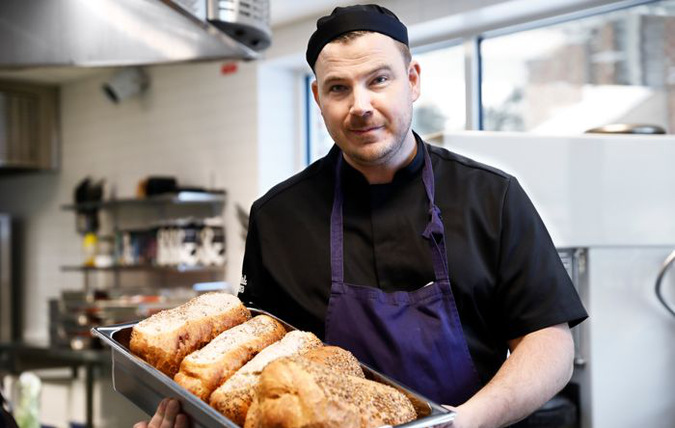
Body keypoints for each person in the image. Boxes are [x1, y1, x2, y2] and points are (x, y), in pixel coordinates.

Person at [138, 4, 587, 428]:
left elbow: (548, 343)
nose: (360, 105)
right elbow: (258, 365)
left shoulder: (492, 197)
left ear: (411, 80)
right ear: (317, 97)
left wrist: (461, 422)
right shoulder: (278, 217)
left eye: (379, 80)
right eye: (339, 88)